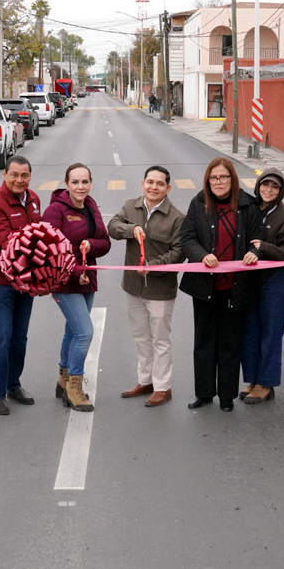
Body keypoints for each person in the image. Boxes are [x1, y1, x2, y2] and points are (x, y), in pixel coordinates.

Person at [179, 158, 263, 412]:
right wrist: (202, 255)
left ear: (232, 179)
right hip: (204, 286)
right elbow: (187, 238)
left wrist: (253, 253)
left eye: (223, 177)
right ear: (208, 180)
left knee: (230, 343)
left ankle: (227, 396)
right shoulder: (198, 203)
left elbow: (259, 239)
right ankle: (204, 393)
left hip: (235, 287)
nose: (218, 182)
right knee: (203, 341)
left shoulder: (248, 206)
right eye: (213, 178)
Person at [108, 166, 185, 407]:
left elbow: (179, 252)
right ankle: (145, 381)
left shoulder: (176, 217)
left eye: (160, 184)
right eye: (150, 182)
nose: (154, 187)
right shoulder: (130, 207)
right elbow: (112, 226)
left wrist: (153, 266)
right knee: (141, 338)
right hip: (133, 287)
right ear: (143, 184)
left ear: (168, 188)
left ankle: (162, 387)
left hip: (160, 290)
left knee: (160, 340)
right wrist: (131, 229)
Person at [42, 163, 112, 412]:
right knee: (84, 332)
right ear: (67, 184)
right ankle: (74, 387)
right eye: (75, 182)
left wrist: (90, 245)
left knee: (73, 331)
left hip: (87, 279)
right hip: (63, 281)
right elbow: (48, 249)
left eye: (85, 182)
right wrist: (75, 268)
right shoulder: (55, 210)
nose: (80, 187)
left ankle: (62, 379)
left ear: (90, 183)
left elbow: (105, 242)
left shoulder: (91, 206)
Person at [0, 155, 41, 416]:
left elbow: (40, 233)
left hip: (26, 280)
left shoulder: (34, 199)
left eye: (24, 175)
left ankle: (13, 384)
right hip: (0, 282)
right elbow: (7, 243)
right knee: (2, 337)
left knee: (20, 337)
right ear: (4, 175)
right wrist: (42, 251)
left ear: (30, 177)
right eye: (14, 175)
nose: (19, 180)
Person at [240, 167, 284, 405]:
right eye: (265, 184)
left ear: (281, 191)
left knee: (271, 334)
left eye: (275, 186)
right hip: (252, 279)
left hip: (277, 281)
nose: (269, 190)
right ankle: (253, 380)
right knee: (251, 331)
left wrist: (263, 247)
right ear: (258, 185)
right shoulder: (251, 209)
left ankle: (266, 383)